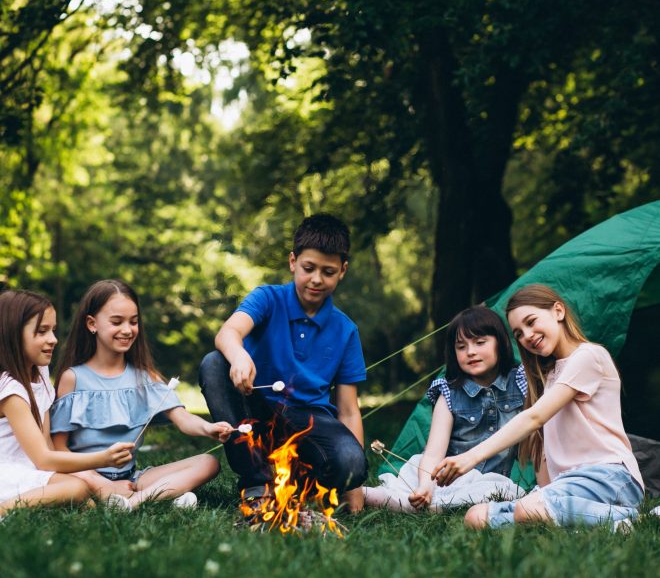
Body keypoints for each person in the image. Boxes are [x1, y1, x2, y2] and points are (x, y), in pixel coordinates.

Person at [434, 284, 644, 530]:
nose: (527, 336)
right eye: (519, 333)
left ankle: (628, 519)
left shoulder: (588, 356)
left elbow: (534, 418)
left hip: (609, 478)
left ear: (558, 311)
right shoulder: (549, 375)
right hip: (566, 485)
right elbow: (545, 447)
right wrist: (543, 490)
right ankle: (574, 521)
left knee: (529, 509)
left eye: (531, 322)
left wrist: (470, 457)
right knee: (476, 517)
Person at [199, 213, 368, 511]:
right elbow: (229, 332)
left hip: (308, 421)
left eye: (328, 272)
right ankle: (258, 481)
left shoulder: (346, 330)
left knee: (352, 462)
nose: (316, 279)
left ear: (342, 271)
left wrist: (355, 487)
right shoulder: (267, 298)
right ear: (293, 262)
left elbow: (349, 410)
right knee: (214, 364)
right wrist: (239, 355)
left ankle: (301, 482)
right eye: (308, 268)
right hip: (257, 410)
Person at [51, 279, 233, 510]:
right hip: (83, 475)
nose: (127, 330)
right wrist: (98, 483)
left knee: (208, 463)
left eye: (133, 322)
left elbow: (183, 419)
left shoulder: (145, 376)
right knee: (76, 486)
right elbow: (59, 449)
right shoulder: (73, 378)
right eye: (117, 322)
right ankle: (160, 496)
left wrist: (208, 428)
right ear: (92, 324)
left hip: (131, 478)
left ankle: (133, 501)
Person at [364, 306, 527, 511]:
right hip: (446, 479)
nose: (471, 352)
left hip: (492, 482)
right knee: (410, 489)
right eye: (461, 346)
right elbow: (433, 454)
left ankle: (417, 506)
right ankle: (361, 494)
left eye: (480, 342)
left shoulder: (520, 381)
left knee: (501, 493)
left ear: (500, 343)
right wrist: (426, 484)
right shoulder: (449, 392)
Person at [0, 290, 134, 517]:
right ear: (12, 335)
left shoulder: (40, 372)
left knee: (84, 500)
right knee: (76, 489)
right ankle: (3, 510)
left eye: (52, 330)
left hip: (28, 467)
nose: (53, 339)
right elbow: (43, 458)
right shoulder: (11, 390)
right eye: (42, 331)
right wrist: (103, 459)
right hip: (7, 471)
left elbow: (47, 444)